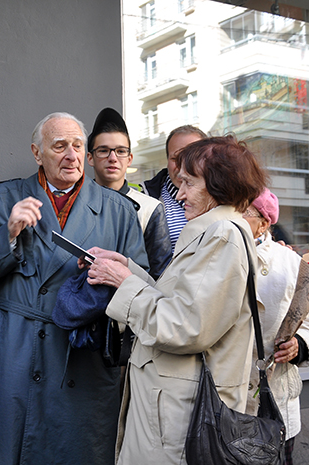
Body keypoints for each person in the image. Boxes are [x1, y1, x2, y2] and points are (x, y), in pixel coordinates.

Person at [0, 112, 149, 464]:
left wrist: (107, 274)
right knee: (13, 448)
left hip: (84, 351)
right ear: (37, 153)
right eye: (59, 146)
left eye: (78, 146)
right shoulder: (0, 200)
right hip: (17, 347)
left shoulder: (119, 210)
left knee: (80, 448)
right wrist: (8, 234)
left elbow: (142, 284)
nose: (71, 155)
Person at [83, 135, 266, 464]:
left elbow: (183, 326)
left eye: (187, 183)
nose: (178, 194)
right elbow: (179, 301)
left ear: (217, 185)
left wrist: (123, 283)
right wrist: (128, 269)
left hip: (178, 417)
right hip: (172, 411)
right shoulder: (213, 232)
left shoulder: (221, 236)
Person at [242, 188, 309, 464]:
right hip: (228, 399)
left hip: (275, 396)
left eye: (243, 211)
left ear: (264, 223)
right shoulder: (217, 252)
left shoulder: (289, 261)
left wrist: (299, 344)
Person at [87, 108, 172, 280]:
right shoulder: (75, 202)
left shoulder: (150, 208)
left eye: (120, 151)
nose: (112, 158)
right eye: (103, 150)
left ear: (129, 159)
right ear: (90, 158)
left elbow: (160, 276)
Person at [142, 125, 207, 252]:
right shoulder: (147, 199)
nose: (183, 166)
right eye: (175, 158)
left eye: (191, 157)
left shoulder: (222, 198)